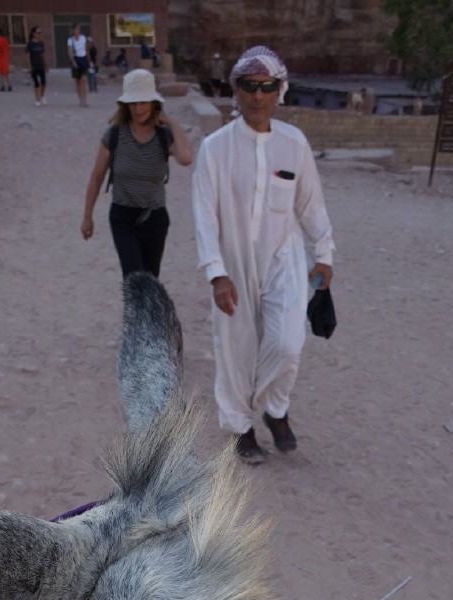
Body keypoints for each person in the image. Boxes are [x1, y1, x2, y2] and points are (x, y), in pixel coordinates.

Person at [192, 45, 335, 464]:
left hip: (283, 261)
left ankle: (274, 409)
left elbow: (310, 204)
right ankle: (241, 427)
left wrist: (324, 253)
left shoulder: (294, 143)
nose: (258, 95)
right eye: (250, 86)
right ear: (235, 90)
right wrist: (216, 272)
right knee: (236, 349)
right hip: (233, 264)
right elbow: (203, 214)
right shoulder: (215, 148)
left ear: (279, 91)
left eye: (267, 86)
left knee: (288, 344)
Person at [81, 69, 193, 278]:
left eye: (143, 101)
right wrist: (87, 217)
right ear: (125, 105)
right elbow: (97, 177)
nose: (138, 108)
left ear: (153, 103)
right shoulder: (114, 134)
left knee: (149, 282)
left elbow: (186, 159)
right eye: (133, 103)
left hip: (155, 218)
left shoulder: (163, 136)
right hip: (123, 217)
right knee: (134, 278)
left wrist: (171, 122)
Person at [68, 24, 89, 106]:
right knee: (78, 81)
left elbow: (86, 49)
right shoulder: (70, 40)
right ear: (73, 30)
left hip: (83, 58)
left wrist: (88, 59)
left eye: (79, 29)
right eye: (76, 29)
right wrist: (73, 61)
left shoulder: (83, 38)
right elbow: (70, 51)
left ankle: (85, 99)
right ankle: (80, 99)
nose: (78, 31)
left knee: (84, 80)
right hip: (76, 59)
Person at [26, 26, 46, 105]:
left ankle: (42, 96)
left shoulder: (41, 43)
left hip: (41, 65)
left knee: (43, 82)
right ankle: (37, 100)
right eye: (38, 33)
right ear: (33, 34)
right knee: (36, 83)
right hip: (34, 65)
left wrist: (45, 63)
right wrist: (29, 66)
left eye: (40, 33)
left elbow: (43, 55)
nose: (39, 34)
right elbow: (27, 56)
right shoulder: (30, 44)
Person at [0, 26, 12, 91]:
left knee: (1, 73)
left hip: (0, 57)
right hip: (6, 57)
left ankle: (3, 86)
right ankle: (9, 85)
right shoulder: (5, 39)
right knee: (6, 72)